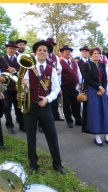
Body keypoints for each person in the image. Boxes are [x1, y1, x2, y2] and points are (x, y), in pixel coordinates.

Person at [22, 40, 66, 175]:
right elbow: (23, 87)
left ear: (48, 54)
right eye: (40, 50)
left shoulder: (51, 70)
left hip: (45, 106)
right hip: (30, 106)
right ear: (36, 52)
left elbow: (56, 89)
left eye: (45, 50)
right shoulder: (27, 67)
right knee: (31, 136)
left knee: (52, 135)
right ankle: (33, 164)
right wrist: (23, 85)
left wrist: (47, 99)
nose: (42, 52)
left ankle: (57, 164)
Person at [82, 47, 108, 146]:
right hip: (92, 90)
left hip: (101, 91)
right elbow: (87, 79)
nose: (96, 55)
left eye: (98, 53)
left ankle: (106, 134)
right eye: (94, 53)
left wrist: (102, 89)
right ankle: (97, 135)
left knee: (105, 112)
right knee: (95, 113)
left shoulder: (102, 65)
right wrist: (98, 87)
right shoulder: (87, 65)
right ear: (91, 55)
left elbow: (105, 79)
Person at [0, 41, 25, 134]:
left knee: (19, 107)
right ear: (7, 49)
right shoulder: (0, 59)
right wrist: (0, 77)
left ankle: (22, 125)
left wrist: (16, 70)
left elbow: (23, 71)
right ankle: (9, 126)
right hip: (6, 87)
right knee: (7, 108)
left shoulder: (19, 59)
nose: (12, 50)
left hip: (17, 87)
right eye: (10, 48)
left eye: (13, 49)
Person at [59, 45, 82, 128]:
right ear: (62, 53)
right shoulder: (60, 63)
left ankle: (78, 120)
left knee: (76, 104)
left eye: (69, 51)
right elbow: (58, 76)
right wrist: (59, 87)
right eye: (66, 51)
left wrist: (80, 83)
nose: (68, 53)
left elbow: (78, 73)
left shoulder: (74, 62)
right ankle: (69, 120)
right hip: (65, 87)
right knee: (67, 104)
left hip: (75, 87)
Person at [45, 37, 64, 122]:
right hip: (44, 82)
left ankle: (54, 116)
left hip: (53, 82)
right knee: (46, 101)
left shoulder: (55, 57)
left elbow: (59, 69)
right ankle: (44, 121)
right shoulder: (41, 54)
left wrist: (53, 74)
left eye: (52, 45)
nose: (50, 46)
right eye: (49, 44)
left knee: (55, 101)